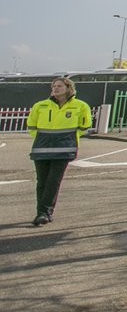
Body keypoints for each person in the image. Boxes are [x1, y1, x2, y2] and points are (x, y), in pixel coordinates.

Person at [26, 76, 92, 226]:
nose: (55, 88)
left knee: (53, 181)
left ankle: (43, 213)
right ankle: (44, 212)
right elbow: (31, 126)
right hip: (41, 149)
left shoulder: (81, 106)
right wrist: (45, 139)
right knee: (41, 182)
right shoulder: (40, 106)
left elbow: (84, 125)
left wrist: (67, 138)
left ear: (68, 88)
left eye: (59, 86)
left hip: (64, 149)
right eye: (54, 86)